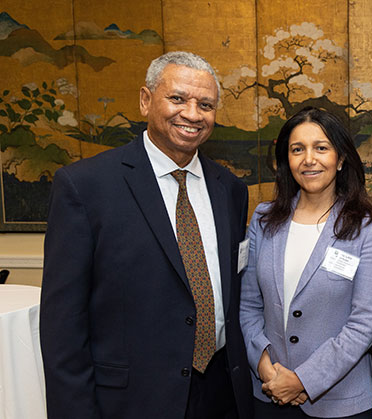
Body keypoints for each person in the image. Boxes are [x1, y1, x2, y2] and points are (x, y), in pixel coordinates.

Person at [40, 51, 253, 419]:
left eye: (205, 104)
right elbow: (63, 326)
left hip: (221, 394)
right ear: (145, 100)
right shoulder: (85, 186)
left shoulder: (230, 189)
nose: (192, 113)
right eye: (177, 98)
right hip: (133, 400)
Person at [240, 107, 372, 419]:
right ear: (286, 160)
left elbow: (365, 323)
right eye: (298, 149)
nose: (309, 159)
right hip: (270, 394)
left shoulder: (370, 228)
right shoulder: (263, 220)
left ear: (341, 159)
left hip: (340, 402)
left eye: (321, 148)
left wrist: (302, 380)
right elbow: (249, 306)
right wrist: (266, 369)